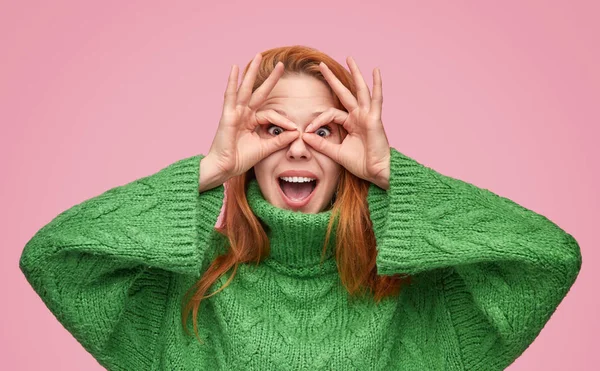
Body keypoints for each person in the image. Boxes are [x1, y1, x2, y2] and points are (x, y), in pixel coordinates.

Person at [19, 45, 582, 370]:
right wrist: (209, 168)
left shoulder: (422, 300)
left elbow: (549, 258)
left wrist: (391, 174)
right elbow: (52, 258)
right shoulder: (181, 295)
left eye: (324, 130)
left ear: (349, 152)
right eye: (271, 128)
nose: (296, 146)